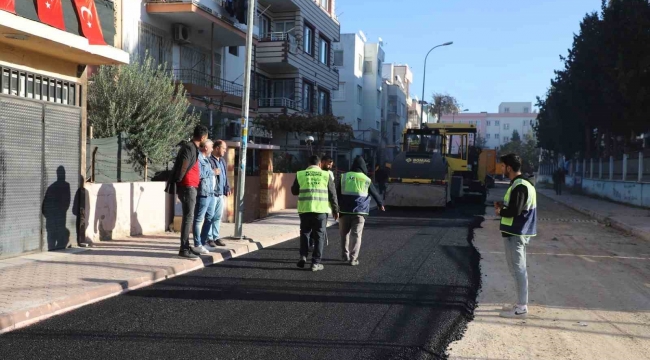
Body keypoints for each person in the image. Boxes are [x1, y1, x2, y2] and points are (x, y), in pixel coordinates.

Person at [494, 153, 537, 319]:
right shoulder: (522, 184)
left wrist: (500, 211)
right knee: (517, 268)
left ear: (509, 168)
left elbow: (515, 210)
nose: (502, 168)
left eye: (503, 166)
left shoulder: (519, 185)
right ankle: (520, 303)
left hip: (516, 232)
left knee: (518, 269)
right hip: (517, 232)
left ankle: (521, 306)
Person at [165, 125, 208, 259]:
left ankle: (186, 246)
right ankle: (183, 249)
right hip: (188, 187)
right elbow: (184, 165)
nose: (205, 140)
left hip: (190, 187)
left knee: (189, 217)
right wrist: (179, 184)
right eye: (205, 138)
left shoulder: (192, 148)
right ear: (202, 137)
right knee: (188, 218)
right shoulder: (189, 148)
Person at [291, 155, 339, 272]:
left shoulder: (300, 174)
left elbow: (294, 191)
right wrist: (335, 209)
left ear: (308, 164)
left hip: (305, 209)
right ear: (319, 164)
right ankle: (315, 263)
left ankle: (303, 256)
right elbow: (332, 194)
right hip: (320, 210)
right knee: (319, 236)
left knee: (305, 233)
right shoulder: (326, 175)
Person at [337, 156, 385, 266]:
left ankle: (345, 256)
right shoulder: (366, 179)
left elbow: (337, 193)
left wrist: (336, 208)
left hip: (344, 211)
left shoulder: (344, 177)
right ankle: (353, 259)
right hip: (360, 212)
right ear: (363, 166)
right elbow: (374, 193)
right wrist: (380, 204)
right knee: (356, 235)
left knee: (344, 234)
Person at [204, 140, 232, 247]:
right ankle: (209, 237)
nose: (225, 151)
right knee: (210, 216)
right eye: (223, 148)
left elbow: (225, 176)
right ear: (216, 148)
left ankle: (216, 237)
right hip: (212, 194)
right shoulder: (209, 160)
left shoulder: (222, 161)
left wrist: (227, 187)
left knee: (217, 217)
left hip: (220, 194)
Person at [192, 139, 216, 255]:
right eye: (211, 147)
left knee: (210, 217)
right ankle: (197, 244)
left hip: (211, 192)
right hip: (203, 192)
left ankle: (202, 242)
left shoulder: (207, 159)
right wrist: (212, 172)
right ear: (206, 147)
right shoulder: (199, 158)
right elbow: (199, 174)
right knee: (198, 219)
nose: (212, 149)